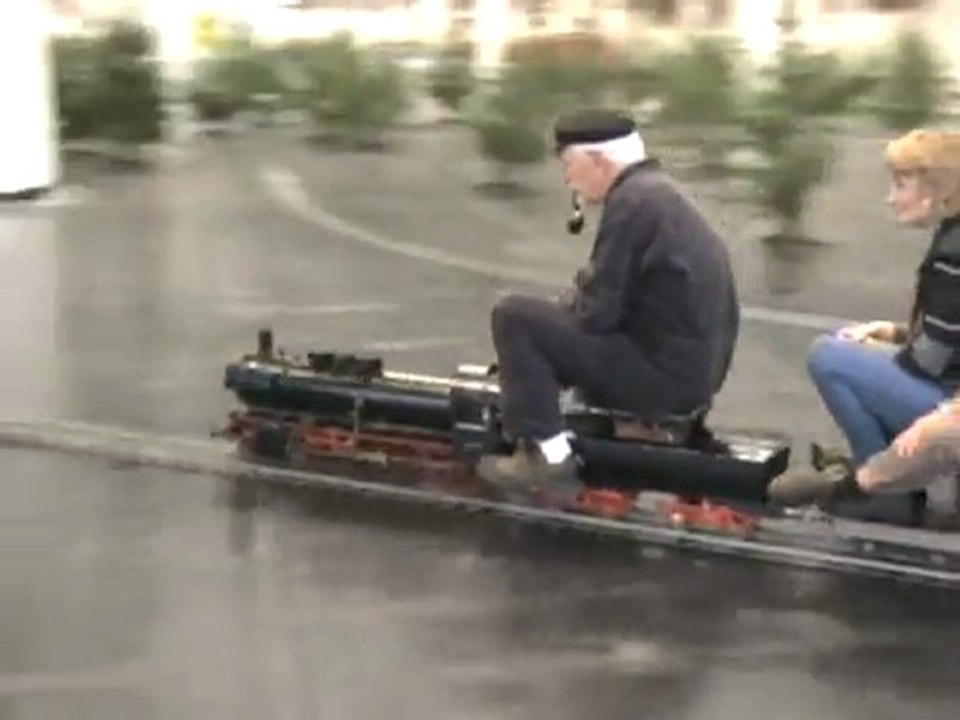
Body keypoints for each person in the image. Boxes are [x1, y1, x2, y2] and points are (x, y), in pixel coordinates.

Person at [477, 108, 740, 504]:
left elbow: (596, 311)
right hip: (690, 377)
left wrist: (536, 352)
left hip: (661, 383)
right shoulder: (658, 193)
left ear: (599, 160)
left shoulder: (633, 202)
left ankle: (547, 457)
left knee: (514, 316)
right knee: (541, 322)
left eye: (569, 165)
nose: (567, 178)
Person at [768, 129, 960, 514]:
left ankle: (880, 488)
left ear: (938, 188)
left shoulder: (952, 256)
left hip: (950, 403)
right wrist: (893, 334)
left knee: (829, 356)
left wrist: (888, 349)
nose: (891, 198)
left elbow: (931, 361)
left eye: (901, 184)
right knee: (855, 350)